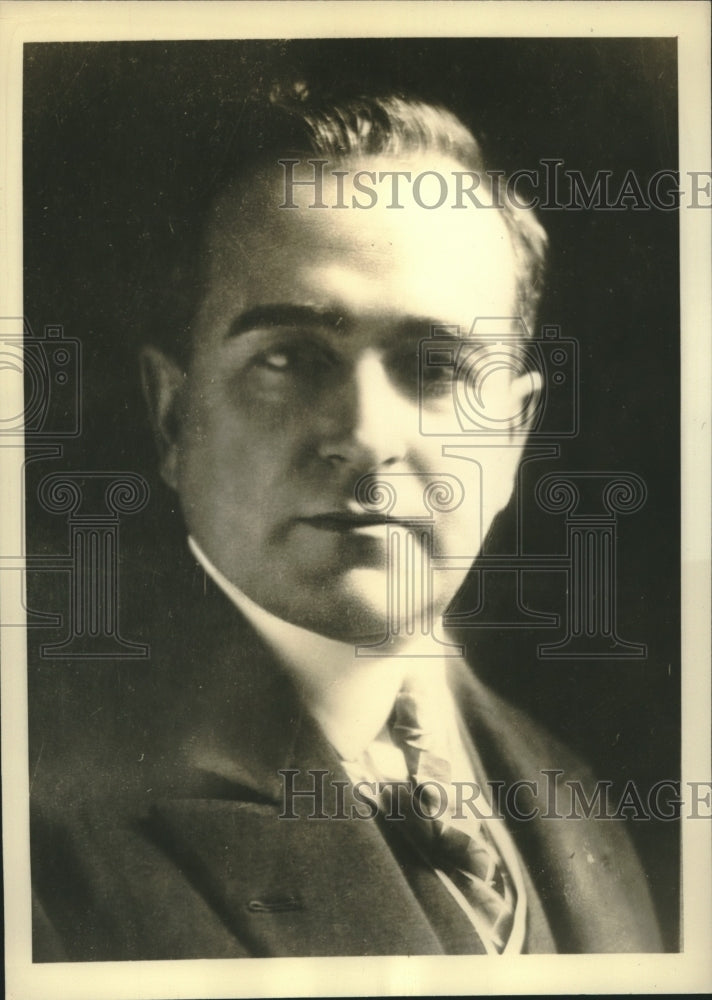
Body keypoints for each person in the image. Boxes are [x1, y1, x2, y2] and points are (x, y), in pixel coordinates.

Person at [29, 92, 662, 959]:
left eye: (436, 367)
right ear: (174, 417)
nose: (365, 434)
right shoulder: (43, 808)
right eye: (289, 359)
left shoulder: (574, 797)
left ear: (512, 437)